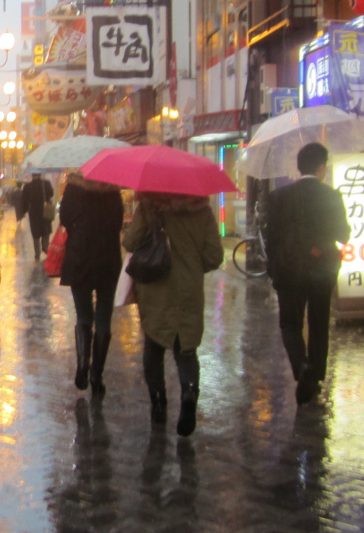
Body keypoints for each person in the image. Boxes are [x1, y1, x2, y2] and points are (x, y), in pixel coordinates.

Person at [125, 192, 224, 436]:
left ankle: (158, 403)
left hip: (155, 286)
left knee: (153, 347)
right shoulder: (203, 210)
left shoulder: (150, 206)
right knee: (186, 350)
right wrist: (192, 266)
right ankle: (189, 393)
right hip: (188, 289)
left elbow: (130, 242)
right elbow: (214, 255)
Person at [263, 142, 351, 405]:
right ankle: (315, 378)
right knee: (318, 321)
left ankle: (302, 366)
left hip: (289, 269)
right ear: (322, 167)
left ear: (299, 167)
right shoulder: (331, 196)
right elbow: (343, 235)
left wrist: (274, 266)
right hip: (322, 269)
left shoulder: (279, 197)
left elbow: (271, 237)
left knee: (290, 324)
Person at [58, 172, 125, 396]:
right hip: (108, 257)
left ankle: (83, 365)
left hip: (80, 255)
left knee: (84, 315)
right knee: (104, 317)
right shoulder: (113, 191)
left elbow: (65, 218)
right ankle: (97, 375)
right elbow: (118, 223)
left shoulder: (73, 187)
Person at [19, 173, 56, 255]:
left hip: (34, 213)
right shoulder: (46, 183)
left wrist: (23, 211)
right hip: (45, 211)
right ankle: (45, 247)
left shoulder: (27, 186)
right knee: (46, 230)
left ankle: (37, 252)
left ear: (32, 176)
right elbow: (51, 194)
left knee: (35, 232)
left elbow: (24, 200)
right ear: (40, 175)